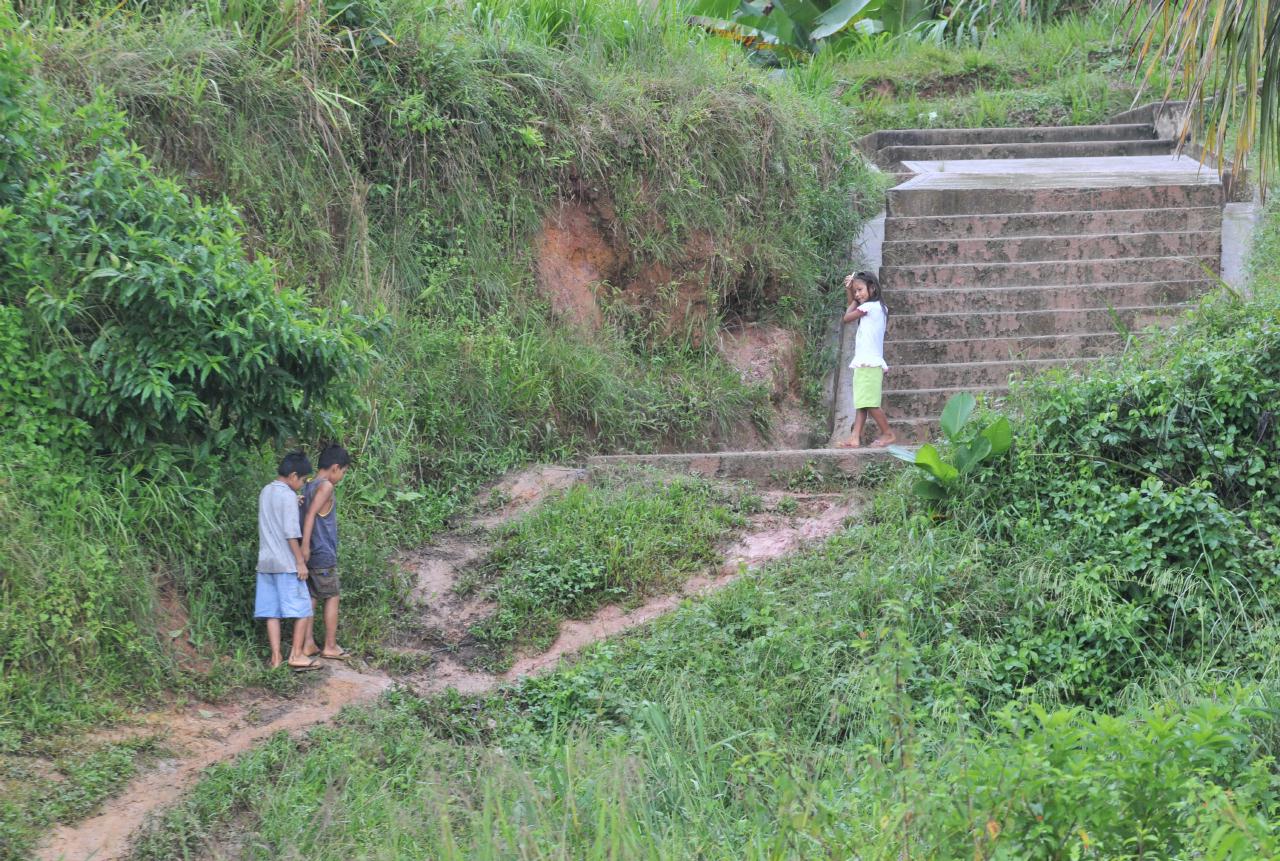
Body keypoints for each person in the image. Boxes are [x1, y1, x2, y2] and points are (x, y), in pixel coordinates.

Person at [255, 451, 318, 671]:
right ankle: (297, 655)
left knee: (272, 612)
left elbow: (275, 515)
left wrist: (294, 499)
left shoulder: (266, 491)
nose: (301, 484)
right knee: (303, 609)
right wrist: (300, 562)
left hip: (265, 563)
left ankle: (275, 658)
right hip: (286, 564)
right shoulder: (289, 497)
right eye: (302, 480)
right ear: (293, 475)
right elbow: (291, 533)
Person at [300, 444, 351, 661]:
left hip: (311, 552)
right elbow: (311, 514)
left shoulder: (308, 486)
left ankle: (308, 643)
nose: (342, 476)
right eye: (344, 472)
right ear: (335, 468)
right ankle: (330, 645)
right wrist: (305, 546)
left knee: (311, 596)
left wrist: (304, 546)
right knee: (332, 595)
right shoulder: (326, 486)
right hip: (322, 551)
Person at [838, 271, 896, 448]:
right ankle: (855, 437)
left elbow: (847, 317)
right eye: (855, 291)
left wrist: (854, 300)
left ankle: (888, 433)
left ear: (872, 287)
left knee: (869, 403)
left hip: (869, 362)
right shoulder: (878, 307)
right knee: (862, 403)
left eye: (860, 290)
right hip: (866, 361)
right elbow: (854, 308)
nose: (857, 294)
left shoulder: (870, 307)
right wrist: (851, 293)